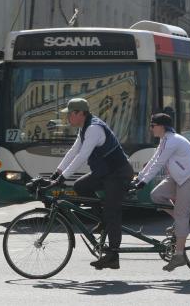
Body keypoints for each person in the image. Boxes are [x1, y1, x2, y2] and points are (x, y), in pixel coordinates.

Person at [50, 98, 134, 270]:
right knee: (80, 186)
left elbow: (82, 156)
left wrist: (63, 177)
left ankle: (113, 256)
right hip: (104, 173)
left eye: (70, 114)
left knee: (112, 213)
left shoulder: (94, 128)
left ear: (81, 113)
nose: (68, 119)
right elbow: (74, 151)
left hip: (118, 174)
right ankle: (102, 219)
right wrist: (58, 172)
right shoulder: (84, 128)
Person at [133, 113, 190, 272]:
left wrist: (144, 182)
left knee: (181, 215)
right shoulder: (165, 139)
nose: (151, 128)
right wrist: (139, 178)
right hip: (178, 177)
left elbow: (159, 163)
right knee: (156, 195)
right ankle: (182, 222)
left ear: (162, 126)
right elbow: (154, 159)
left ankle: (179, 255)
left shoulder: (173, 140)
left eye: (153, 125)